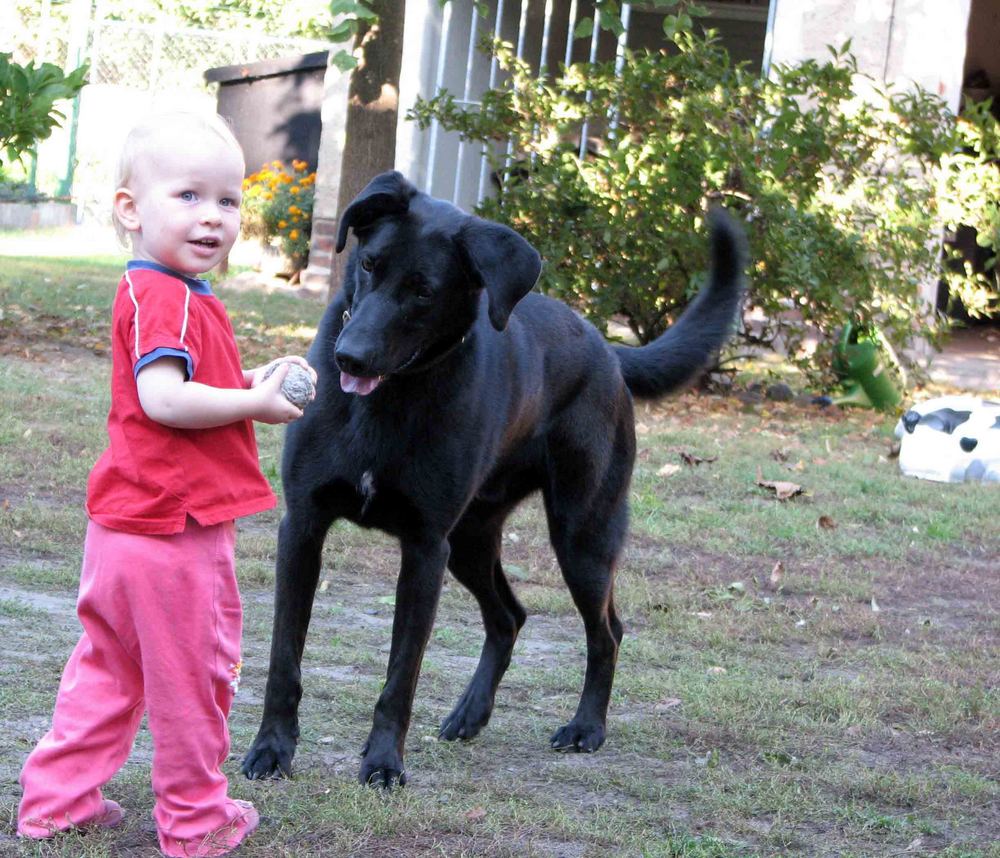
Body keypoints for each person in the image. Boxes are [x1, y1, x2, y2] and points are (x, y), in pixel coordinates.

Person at [16, 111, 315, 856]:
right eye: (188, 196)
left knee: (109, 673)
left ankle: (54, 807)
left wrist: (248, 382)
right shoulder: (170, 298)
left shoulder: (162, 289)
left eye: (229, 200)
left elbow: (186, 386)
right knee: (194, 682)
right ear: (130, 209)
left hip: (123, 528)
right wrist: (254, 404)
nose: (214, 217)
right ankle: (195, 820)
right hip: (174, 533)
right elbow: (165, 401)